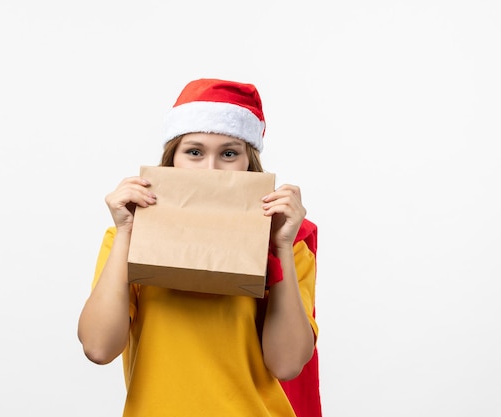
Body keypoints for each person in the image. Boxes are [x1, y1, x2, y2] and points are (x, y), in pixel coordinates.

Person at [78, 78, 322, 417]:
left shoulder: (287, 242)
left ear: (248, 163)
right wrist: (125, 234)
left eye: (229, 153)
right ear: (172, 159)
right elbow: (98, 347)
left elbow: (288, 364)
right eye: (194, 152)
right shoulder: (127, 237)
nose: (210, 169)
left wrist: (280, 246)